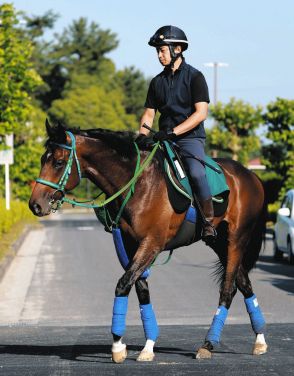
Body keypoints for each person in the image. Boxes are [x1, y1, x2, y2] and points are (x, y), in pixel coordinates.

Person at [135, 25, 216, 245]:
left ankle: (208, 221)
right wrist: (141, 137)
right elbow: (149, 115)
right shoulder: (156, 82)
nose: (159, 55)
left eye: (162, 50)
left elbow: (201, 114)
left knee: (197, 173)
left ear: (177, 49)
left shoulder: (195, 77)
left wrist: (173, 132)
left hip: (189, 138)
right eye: (158, 51)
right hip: (162, 139)